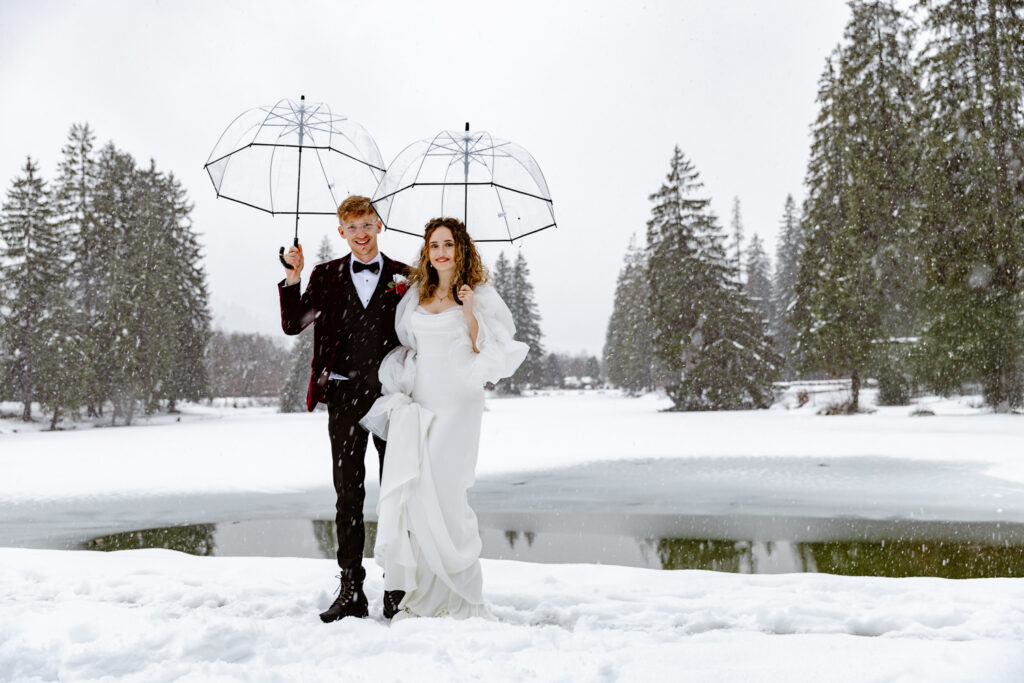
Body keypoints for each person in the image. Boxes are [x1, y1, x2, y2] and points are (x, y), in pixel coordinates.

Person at [361, 216, 528, 621]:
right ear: (427, 251)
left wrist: (469, 312)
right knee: (420, 493)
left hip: (459, 403)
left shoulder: (478, 294)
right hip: (423, 400)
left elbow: (488, 352)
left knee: (449, 495)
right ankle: (424, 594)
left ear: (460, 249)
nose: (441, 252)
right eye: (434, 245)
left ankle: (461, 595)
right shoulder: (415, 291)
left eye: (448, 245)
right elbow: (408, 344)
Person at [278, 195, 409, 622]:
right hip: (344, 399)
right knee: (348, 496)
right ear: (341, 232)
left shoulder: (405, 277)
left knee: (397, 496)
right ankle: (352, 588)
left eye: (368, 224)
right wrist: (293, 278)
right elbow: (294, 323)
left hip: (392, 401)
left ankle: (397, 589)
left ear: (379, 225)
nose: (361, 234)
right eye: (352, 227)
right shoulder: (326, 276)